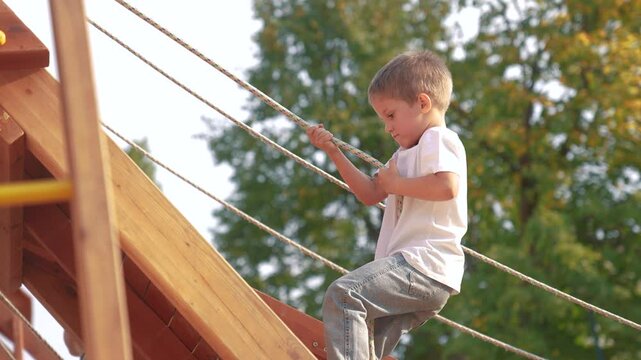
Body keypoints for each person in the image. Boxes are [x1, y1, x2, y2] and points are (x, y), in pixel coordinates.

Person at [306, 50, 467, 360]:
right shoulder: (402, 157)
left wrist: (397, 185)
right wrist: (334, 152)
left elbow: (447, 186)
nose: (387, 127)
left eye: (391, 115)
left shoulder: (438, 138)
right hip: (424, 275)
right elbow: (369, 194)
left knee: (345, 294)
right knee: (365, 340)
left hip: (423, 264)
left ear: (423, 103)